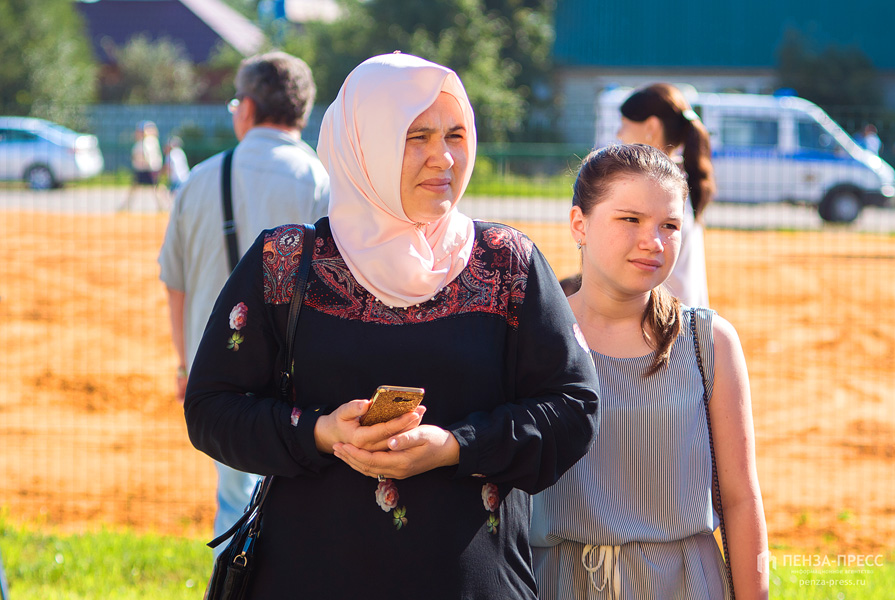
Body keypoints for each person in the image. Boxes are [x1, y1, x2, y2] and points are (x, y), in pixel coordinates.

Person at [183, 52, 601, 599]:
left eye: (455, 134)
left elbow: (573, 406)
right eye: (415, 137)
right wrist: (320, 433)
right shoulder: (284, 263)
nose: (443, 157)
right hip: (310, 577)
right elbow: (212, 407)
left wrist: (455, 446)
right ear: (364, 144)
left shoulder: (508, 264)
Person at [530, 144, 768, 599]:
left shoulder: (708, 342)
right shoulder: (531, 339)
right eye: (631, 219)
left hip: (686, 586)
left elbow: (741, 500)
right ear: (579, 223)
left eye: (670, 225)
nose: (653, 241)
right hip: (555, 585)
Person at [158, 50, 330, 556]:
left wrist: (186, 362)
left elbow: (176, 282)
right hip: (302, 379)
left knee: (234, 503)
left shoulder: (197, 181)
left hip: (222, 376)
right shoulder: (320, 180)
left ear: (248, 108)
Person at [616, 83, 716, 308]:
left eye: (624, 124)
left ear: (651, 126)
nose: (619, 134)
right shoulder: (677, 180)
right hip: (679, 320)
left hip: (665, 324)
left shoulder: (658, 187)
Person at [120, 120, 167, 211]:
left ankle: (162, 206)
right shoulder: (144, 142)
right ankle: (127, 206)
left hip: (149, 169)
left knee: (156, 188)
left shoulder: (149, 141)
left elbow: (147, 157)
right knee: (136, 187)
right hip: (143, 169)